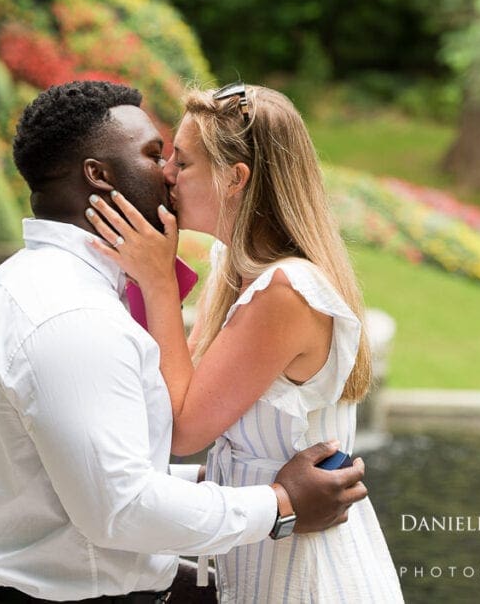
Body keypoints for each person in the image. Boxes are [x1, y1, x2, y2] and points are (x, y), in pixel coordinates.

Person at [0, 80, 370, 604]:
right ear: (99, 175)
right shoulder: (74, 314)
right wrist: (280, 505)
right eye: (154, 155)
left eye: (179, 161)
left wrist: (213, 483)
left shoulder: (17, 283)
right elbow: (121, 506)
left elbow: (81, 468)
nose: (167, 173)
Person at [85, 83, 404, 602]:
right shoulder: (238, 270)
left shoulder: (286, 292)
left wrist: (159, 284)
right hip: (263, 558)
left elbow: (183, 428)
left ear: (235, 179)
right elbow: (179, 397)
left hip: (306, 577)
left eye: (183, 164)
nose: (165, 174)